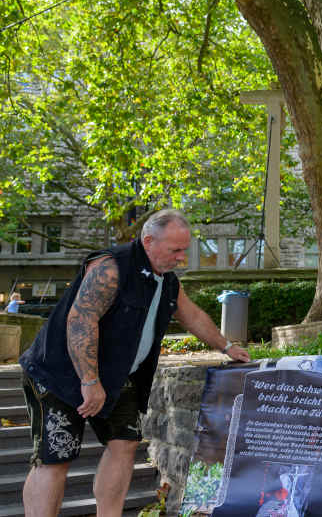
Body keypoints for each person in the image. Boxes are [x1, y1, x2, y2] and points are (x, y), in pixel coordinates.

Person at [19, 209, 251, 516]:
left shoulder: (166, 280)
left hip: (118, 373)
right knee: (55, 456)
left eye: (184, 250)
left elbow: (192, 315)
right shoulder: (111, 267)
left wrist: (227, 346)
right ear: (149, 241)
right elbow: (81, 319)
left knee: (125, 443)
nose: (181, 258)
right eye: (175, 250)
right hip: (60, 373)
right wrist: (89, 382)